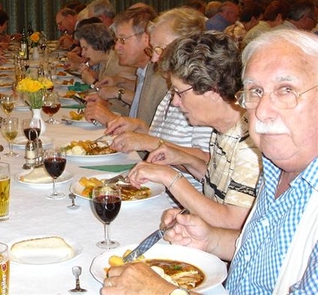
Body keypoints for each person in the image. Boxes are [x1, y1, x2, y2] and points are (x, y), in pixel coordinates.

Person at [103, 29, 318, 294]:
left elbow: (231, 217)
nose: (261, 110)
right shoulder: (275, 169)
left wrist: (164, 292)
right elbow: (259, 249)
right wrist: (210, 239)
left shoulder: (262, 153)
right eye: (255, 91)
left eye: (286, 90)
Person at [127, 31, 262, 229]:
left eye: (180, 93)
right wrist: (184, 158)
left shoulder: (249, 143)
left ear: (212, 90)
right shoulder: (223, 129)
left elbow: (234, 222)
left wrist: (169, 177)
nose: (175, 102)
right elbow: (217, 187)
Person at [95, 8, 212, 190]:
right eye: (153, 49)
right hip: (153, 187)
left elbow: (208, 163)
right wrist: (140, 128)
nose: (155, 58)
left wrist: (149, 143)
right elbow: (165, 139)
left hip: (178, 201)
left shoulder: (202, 94)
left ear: (187, 47)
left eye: (160, 49)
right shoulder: (173, 90)